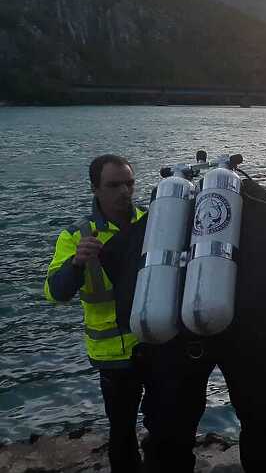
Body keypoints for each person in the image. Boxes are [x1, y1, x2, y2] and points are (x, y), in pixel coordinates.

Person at [113, 175, 266, 473]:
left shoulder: (169, 210)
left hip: (178, 334)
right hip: (250, 334)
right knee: (261, 424)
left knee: (170, 434)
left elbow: (115, 255)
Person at [43, 154, 148, 473]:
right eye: (114, 185)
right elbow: (55, 293)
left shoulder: (155, 220)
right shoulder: (77, 236)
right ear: (95, 188)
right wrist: (76, 264)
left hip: (156, 341)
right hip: (112, 353)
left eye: (129, 183)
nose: (124, 192)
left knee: (166, 421)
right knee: (122, 430)